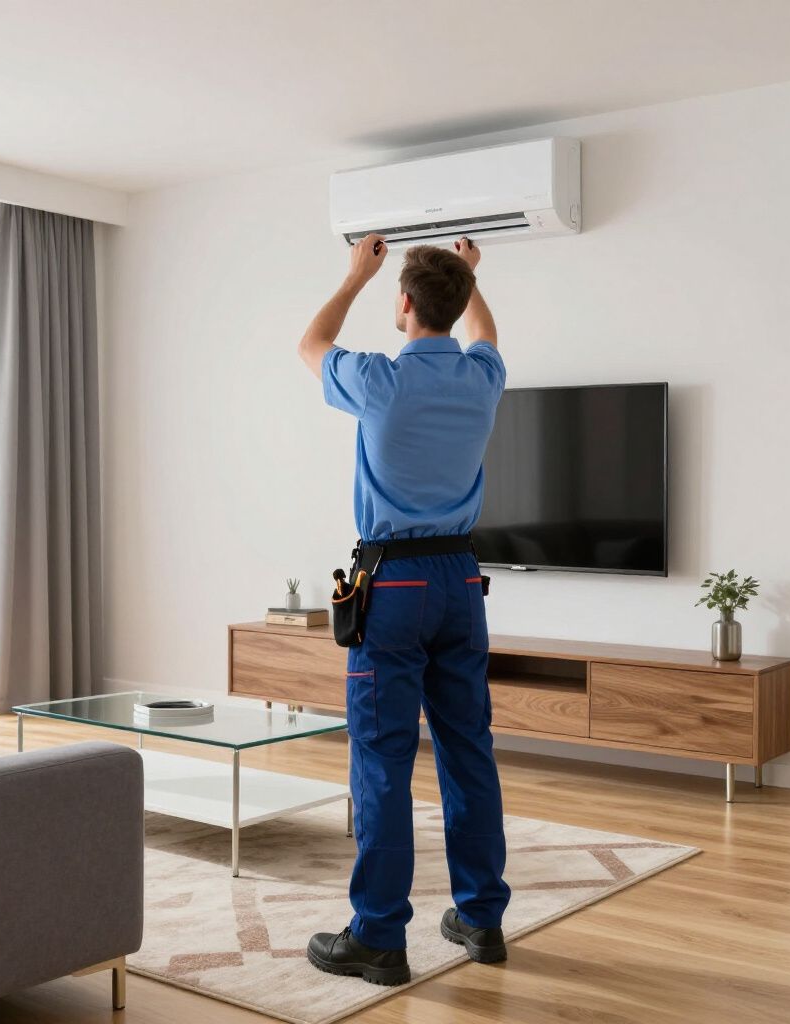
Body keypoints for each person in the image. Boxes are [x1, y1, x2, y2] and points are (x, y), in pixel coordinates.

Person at [297, 234, 511, 986]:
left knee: (383, 759)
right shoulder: (483, 376)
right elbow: (485, 333)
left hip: (392, 587)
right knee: (467, 749)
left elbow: (311, 341)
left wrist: (355, 274)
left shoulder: (379, 380)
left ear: (406, 304)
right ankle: (481, 920)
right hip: (461, 581)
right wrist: (469, 279)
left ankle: (379, 936)